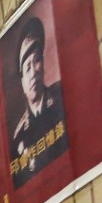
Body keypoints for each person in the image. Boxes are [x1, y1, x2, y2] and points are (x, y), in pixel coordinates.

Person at [10, 16, 67, 186]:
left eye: (36, 61)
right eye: (27, 68)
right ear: (22, 82)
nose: (33, 72)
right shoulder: (19, 136)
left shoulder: (61, 96)